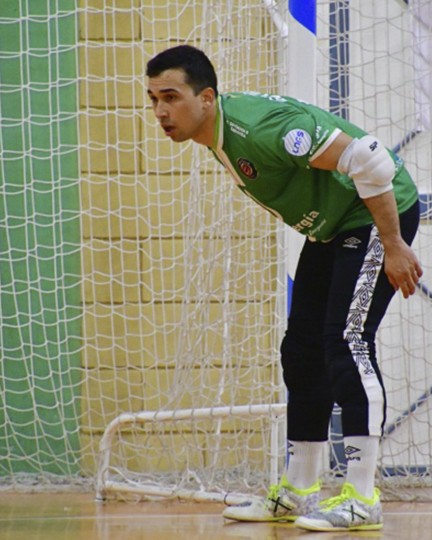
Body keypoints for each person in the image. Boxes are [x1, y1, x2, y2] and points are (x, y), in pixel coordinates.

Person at [146, 45, 423, 532]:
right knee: (300, 351)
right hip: (335, 226)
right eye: (152, 99)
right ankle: (298, 491)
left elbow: (372, 161)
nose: (161, 111)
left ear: (206, 98)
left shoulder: (261, 129)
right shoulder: (220, 136)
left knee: (346, 341)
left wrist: (393, 242)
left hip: (375, 214)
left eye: (171, 97)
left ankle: (361, 497)